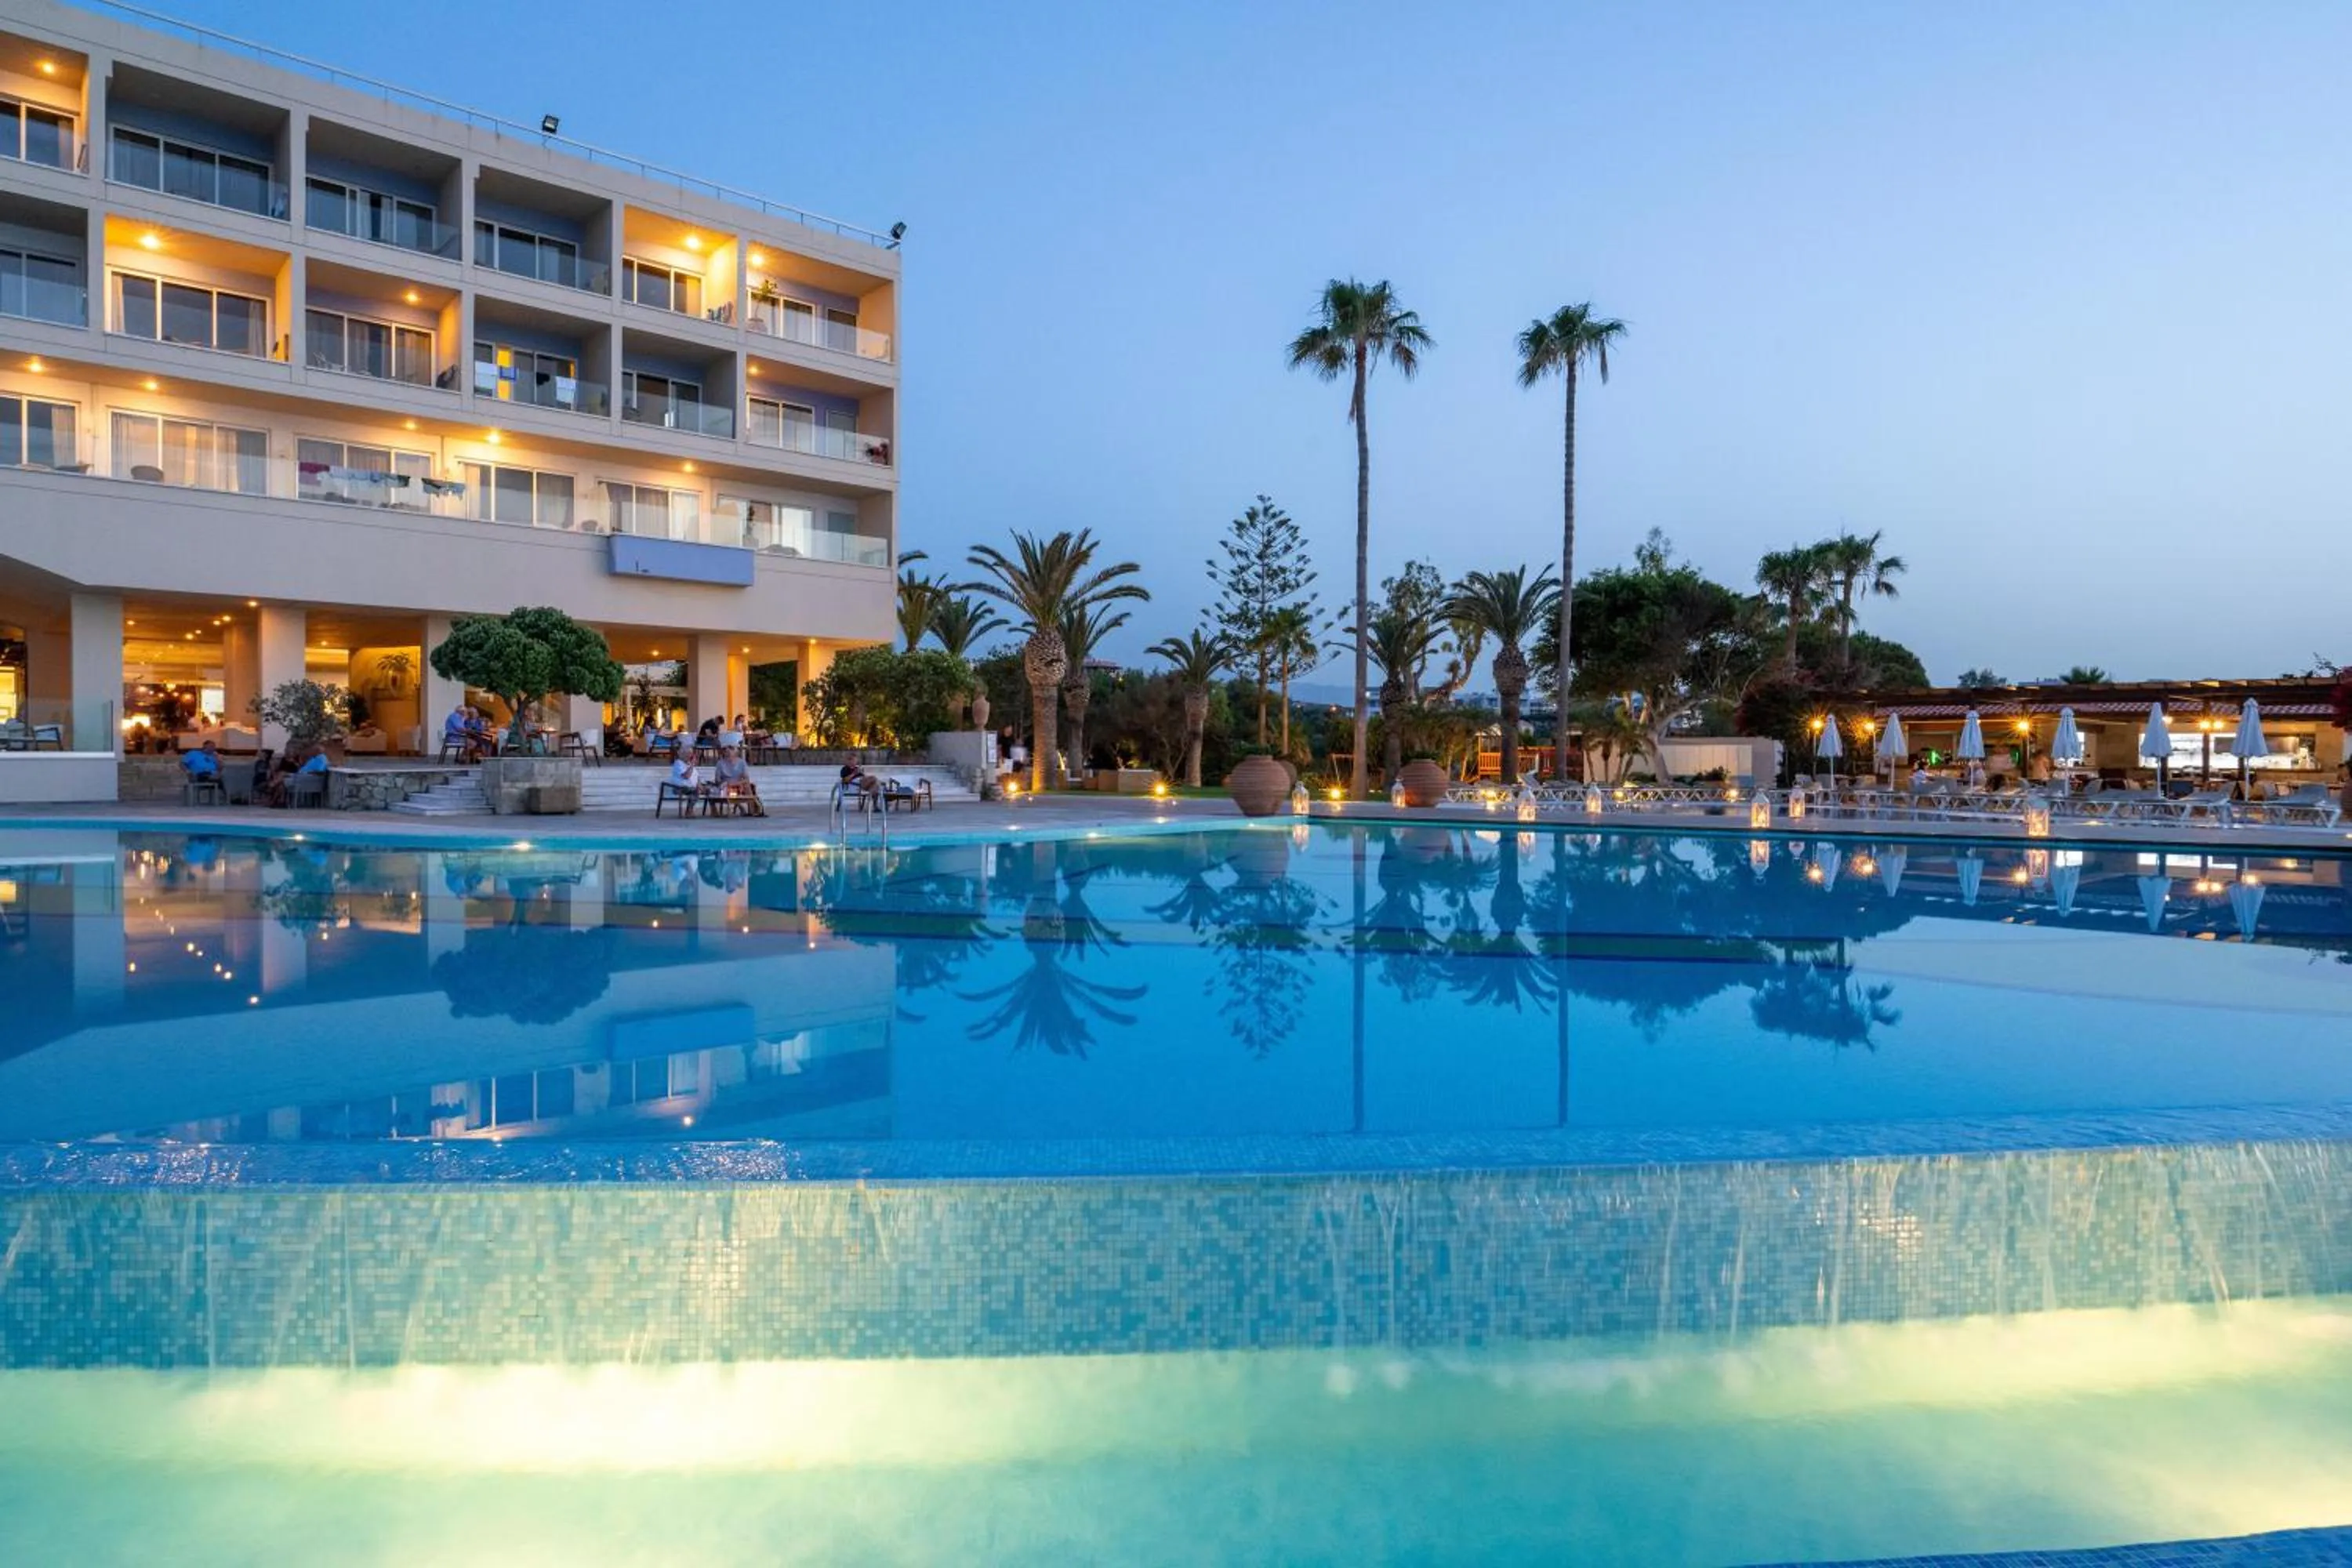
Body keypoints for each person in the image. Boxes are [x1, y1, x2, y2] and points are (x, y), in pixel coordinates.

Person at [711, 745, 764, 815]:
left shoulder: (741, 762)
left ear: (735, 752)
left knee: (747, 785)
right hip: (726, 785)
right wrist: (726, 783)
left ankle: (753, 809)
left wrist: (736, 783)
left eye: (730, 750)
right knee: (719, 788)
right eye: (726, 751)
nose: (728, 753)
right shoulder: (720, 763)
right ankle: (742, 806)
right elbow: (717, 780)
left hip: (738, 784)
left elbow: (746, 778)